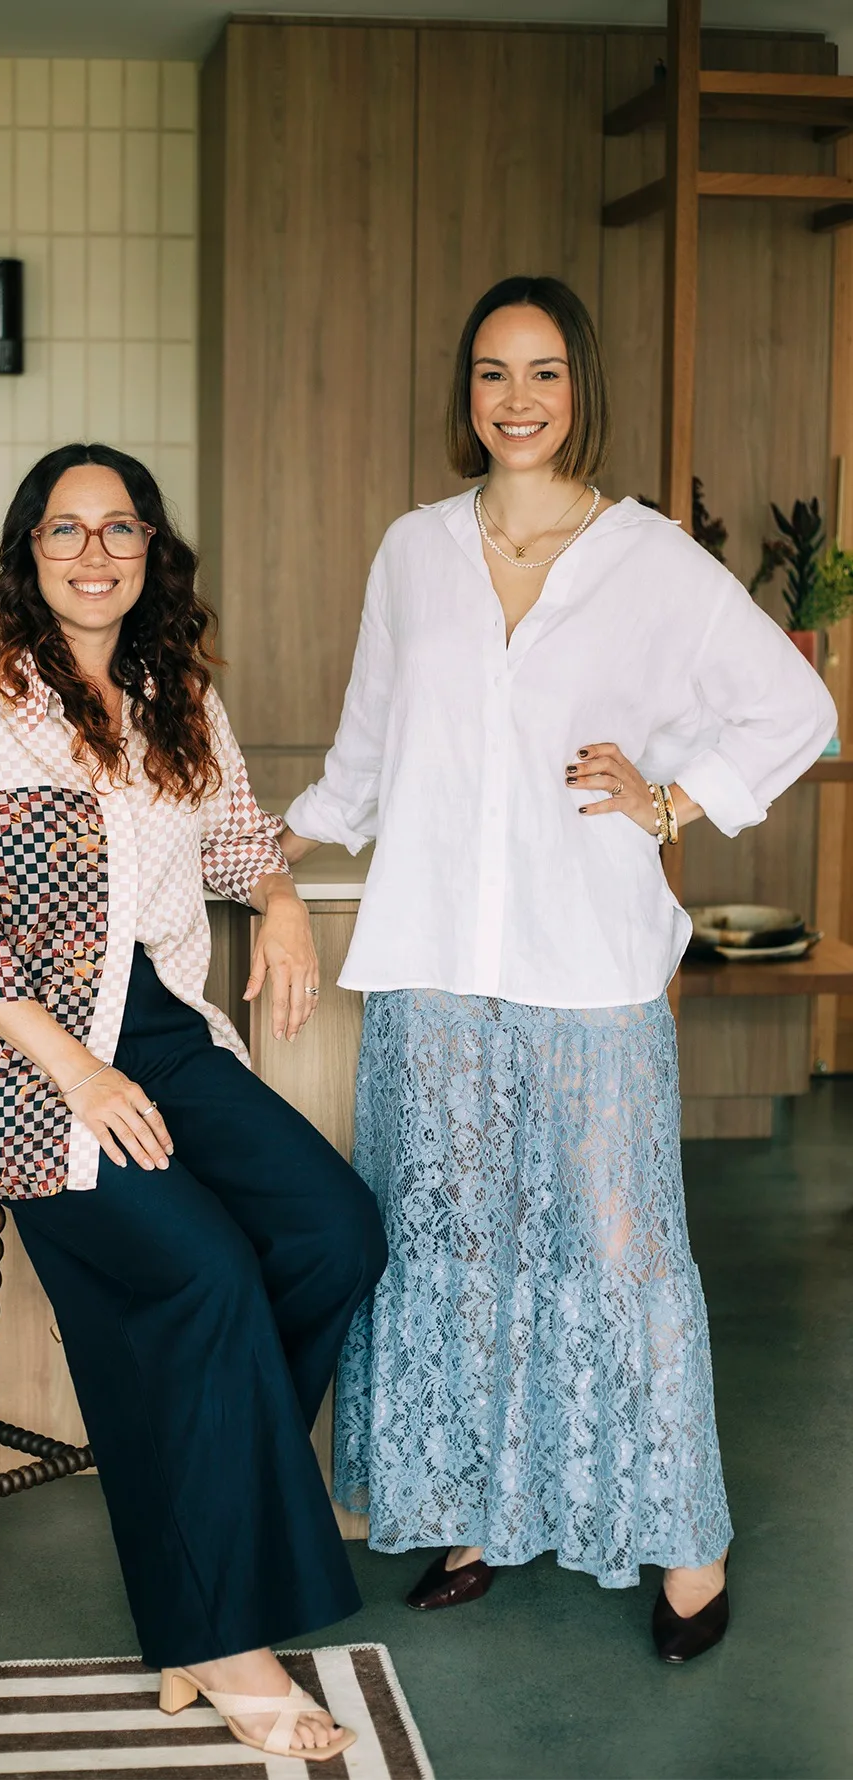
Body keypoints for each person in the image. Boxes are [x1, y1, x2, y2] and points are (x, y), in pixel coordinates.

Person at [280, 275, 836, 1663]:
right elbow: (365, 754)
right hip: (430, 969)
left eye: (540, 373)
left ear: (579, 386)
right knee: (453, 1251)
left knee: (619, 1252)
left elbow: (798, 705)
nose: (515, 400)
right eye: (490, 374)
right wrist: (251, 850)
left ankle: (688, 1550)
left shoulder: (650, 561)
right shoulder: (411, 552)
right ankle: (478, 1519)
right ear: (464, 395)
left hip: (585, 969)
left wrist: (668, 803)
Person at [0, 442, 387, 1756]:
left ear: (153, 550)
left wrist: (277, 900)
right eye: (67, 530)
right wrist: (82, 1072)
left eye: (122, 529)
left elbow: (230, 835)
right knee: (209, 1274)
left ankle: (196, 1538)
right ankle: (221, 1637)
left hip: (160, 1031)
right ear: (27, 553)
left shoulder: (178, 696)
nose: (95, 553)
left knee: (337, 1234)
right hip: (17, 1062)